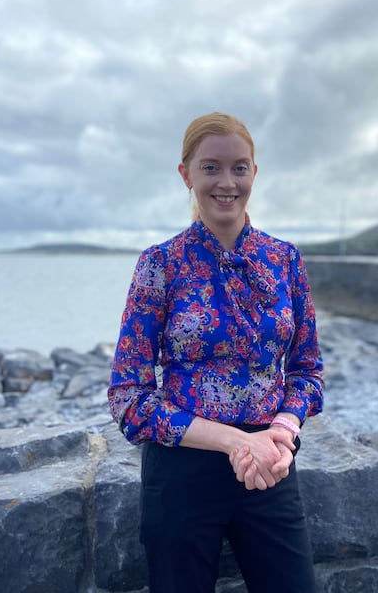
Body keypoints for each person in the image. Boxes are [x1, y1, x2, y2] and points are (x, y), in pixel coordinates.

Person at [107, 111, 324, 593]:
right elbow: (129, 398)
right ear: (186, 174)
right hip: (182, 474)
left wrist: (281, 433)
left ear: (253, 174)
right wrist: (233, 441)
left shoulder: (284, 259)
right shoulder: (159, 265)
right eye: (211, 167)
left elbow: (307, 372)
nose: (227, 182)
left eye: (239, 167)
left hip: (270, 468)